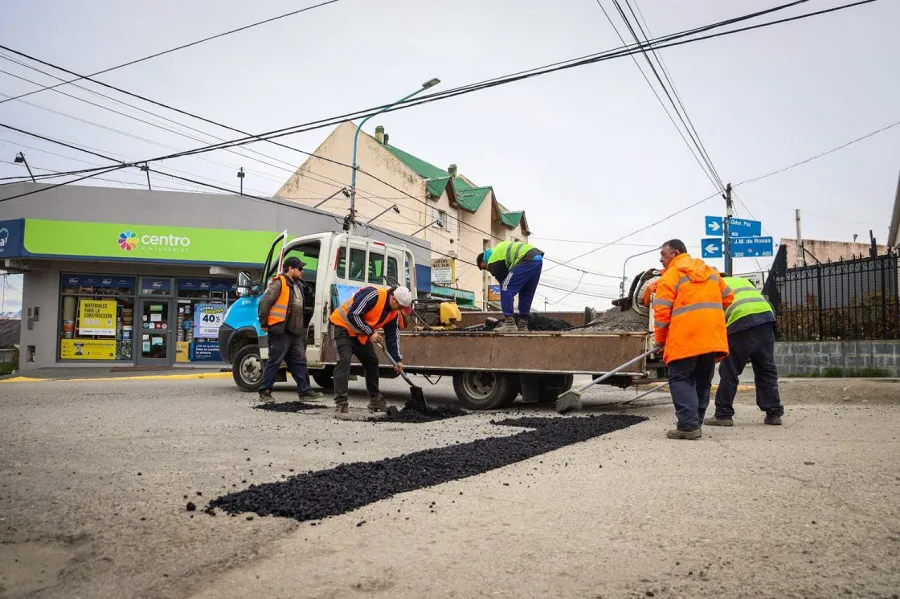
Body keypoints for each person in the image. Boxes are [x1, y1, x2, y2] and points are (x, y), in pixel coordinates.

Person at [652, 239, 734, 440]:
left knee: (680, 378)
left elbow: (661, 312)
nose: (661, 259)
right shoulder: (711, 272)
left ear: (675, 253)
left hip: (685, 338)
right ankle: (694, 421)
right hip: (711, 338)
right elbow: (729, 297)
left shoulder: (671, 276)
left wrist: (661, 340)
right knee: (702, 381)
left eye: (663, 254)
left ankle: (688, 427)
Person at [705, 276, 784, 426]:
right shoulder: (742, 281)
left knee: (730, 370)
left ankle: (723, 415)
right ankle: (774, 414)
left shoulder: (714, 286)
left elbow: (714, 318)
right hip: (766, 318)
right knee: (766, 368)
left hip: (740, 320)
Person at [328, 285, 413, 420]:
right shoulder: (374, 295)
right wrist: (370, 332)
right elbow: (353, 314)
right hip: (341, 326)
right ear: (393, 299)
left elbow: (392, 337)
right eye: (401, 307)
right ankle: (341, 403)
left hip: (359, 333)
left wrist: (397, 360)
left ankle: (375, 400)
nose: (401, 311)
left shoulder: (394, 314)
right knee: (344, 360)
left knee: (372, 362)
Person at [258, 256, 323, 403]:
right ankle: (265, 392)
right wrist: (264, 324)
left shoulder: (298, 285)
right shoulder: (279, 283)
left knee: (299, 362)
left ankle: (305, 392)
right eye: (299, 268)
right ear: (290, 269)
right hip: (280, 330)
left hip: (295, 333)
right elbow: (264, 303)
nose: (302, 271)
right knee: (275, 362)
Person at [476, 240, 544, 333]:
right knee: (526, 292)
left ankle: (510, 324)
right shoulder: (498, 252)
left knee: (505, 287)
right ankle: (522, 325)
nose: (487, 270)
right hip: (537, 258)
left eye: (484, 267)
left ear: (484, 260)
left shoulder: (492, 260)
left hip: (525, 258)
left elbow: (505, 288)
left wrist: (507, 311)